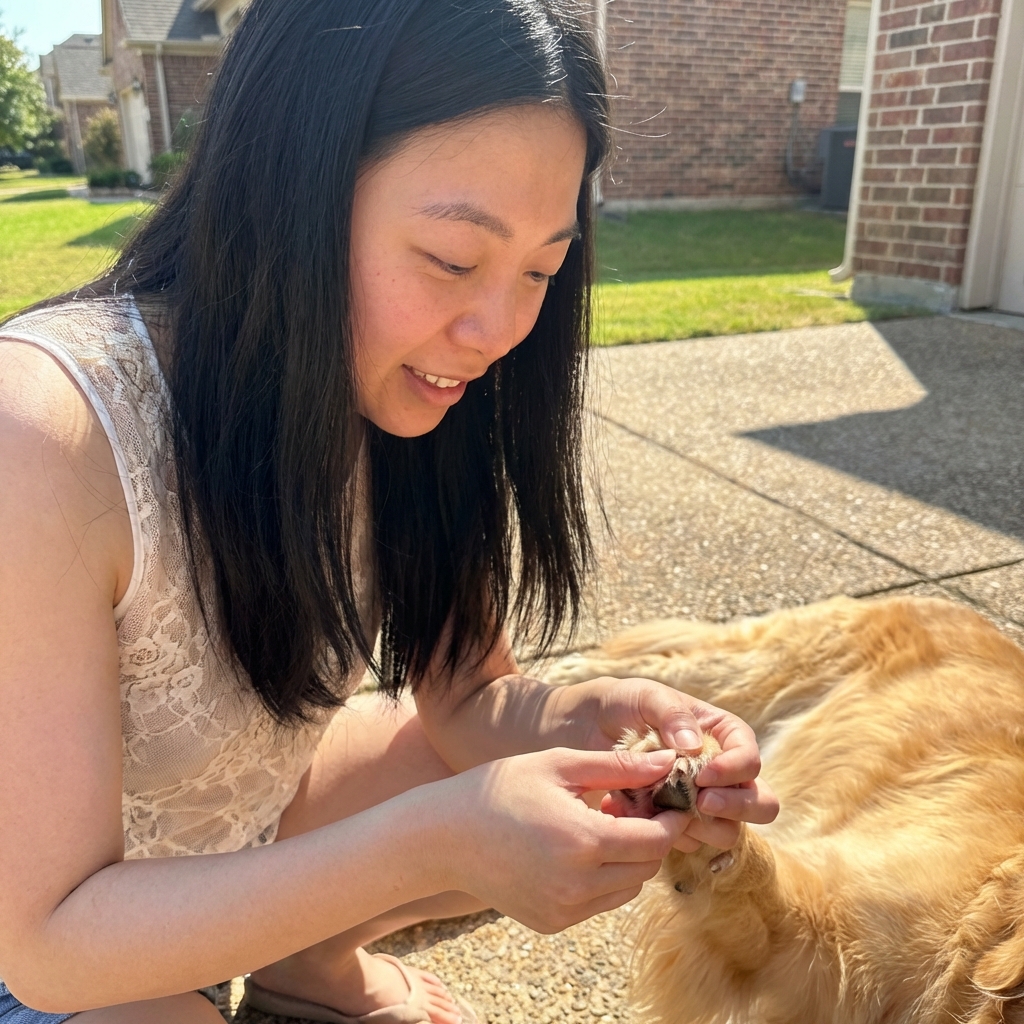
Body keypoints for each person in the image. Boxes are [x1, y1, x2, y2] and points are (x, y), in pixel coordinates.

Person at [0, 0, 779, 1021]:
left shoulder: (411, 394)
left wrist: (598, 725)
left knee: (543, 782)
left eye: (542, 268)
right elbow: (48, 942)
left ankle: (303, 968)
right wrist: (432, 838)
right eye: (455, 259)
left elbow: (467, 697)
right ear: (290, 186)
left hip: (224, 851)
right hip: (48, 942)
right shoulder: (46, 434)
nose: (498, 329)